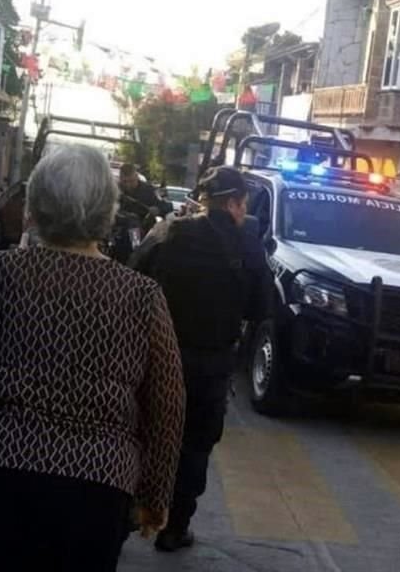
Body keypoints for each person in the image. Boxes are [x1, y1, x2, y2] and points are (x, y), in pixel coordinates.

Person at [0, 145, 185, 572]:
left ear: (35, 205)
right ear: (108, 209)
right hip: (94, 487)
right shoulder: (142, 296)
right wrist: (155, 497)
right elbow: (167, 403)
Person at [131, 165, 272, 553]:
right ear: (235, 203)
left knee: (141, 433)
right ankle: (175, 528)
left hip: (158, 356)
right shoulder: (248, 242)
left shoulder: (170, 230)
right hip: (211, 365)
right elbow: (264, 308)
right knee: (195, 446)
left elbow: (133, 274)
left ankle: (123, 513)